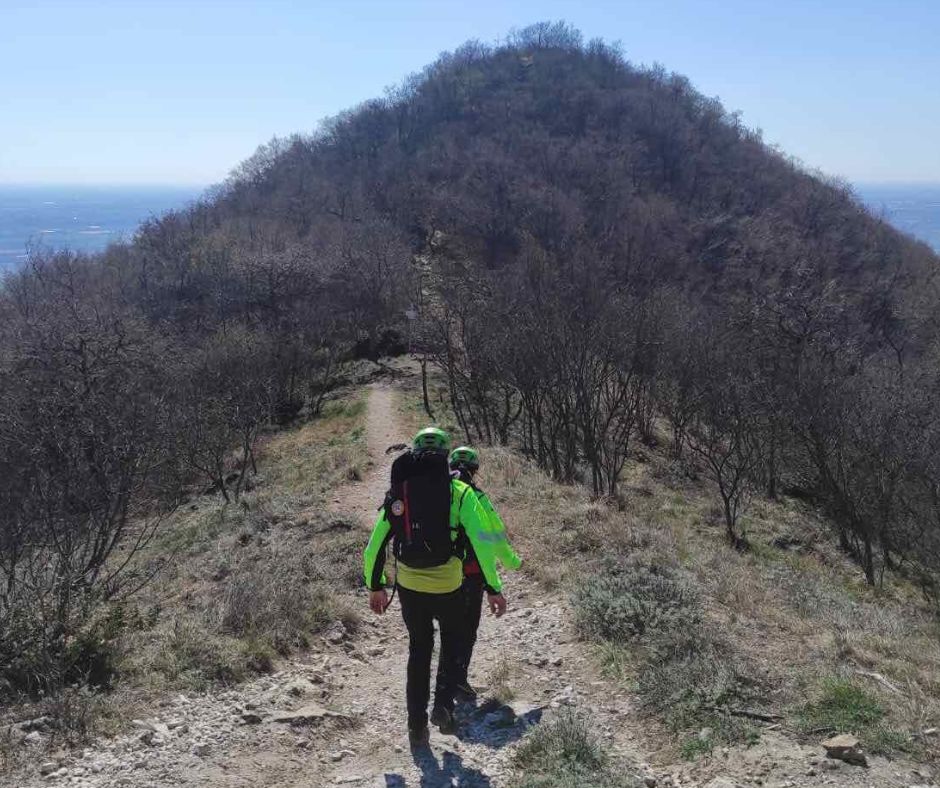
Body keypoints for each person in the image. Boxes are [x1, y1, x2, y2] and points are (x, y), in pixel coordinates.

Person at [363, 428, 508, 747]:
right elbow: (483, 546)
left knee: (419, 650)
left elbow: (374, 547)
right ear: (446, 455)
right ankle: (442, 705)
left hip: (410, 586)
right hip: (449, 585)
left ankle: (416, 727)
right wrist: (493, 588)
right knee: (453, 641)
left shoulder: (399, 493)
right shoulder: (460, 492)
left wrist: (376, 586)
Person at [448, 446, 522, 699]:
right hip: (469, 573)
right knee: (466, 628)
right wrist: (512, 563)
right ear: (475, 470)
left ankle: (444, 680)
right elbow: (493, 535)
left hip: (437, 573)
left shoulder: (438, 493)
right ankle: (457, 681)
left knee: (447, 627)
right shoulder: (476, 497)